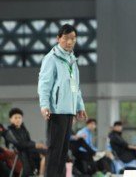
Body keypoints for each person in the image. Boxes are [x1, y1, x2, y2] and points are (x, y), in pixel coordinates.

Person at [38, 23, 87, 177]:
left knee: (63, 151)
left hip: (69, 111)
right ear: (58, 38)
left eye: (73, 38)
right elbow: (44, 84)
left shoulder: (72, 60)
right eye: (66, 38)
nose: (70, 42)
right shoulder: (51, 58)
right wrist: (44, 105)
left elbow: (76, 87)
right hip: (56, 111)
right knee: (54, 150)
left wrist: (80, 106)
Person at [5, 108, 47, 176]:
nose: (18, 119)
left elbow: (28, 141)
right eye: (15, 118)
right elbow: (18, 145)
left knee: (46, 152)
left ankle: (41, 174)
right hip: (19, 151)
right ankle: (40, 174)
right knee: (42, 153)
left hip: (28, 149)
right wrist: (35, 145)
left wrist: (37, 145)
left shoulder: (23, 129)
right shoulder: (9, 132)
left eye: (19, 117)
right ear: (10, 119)